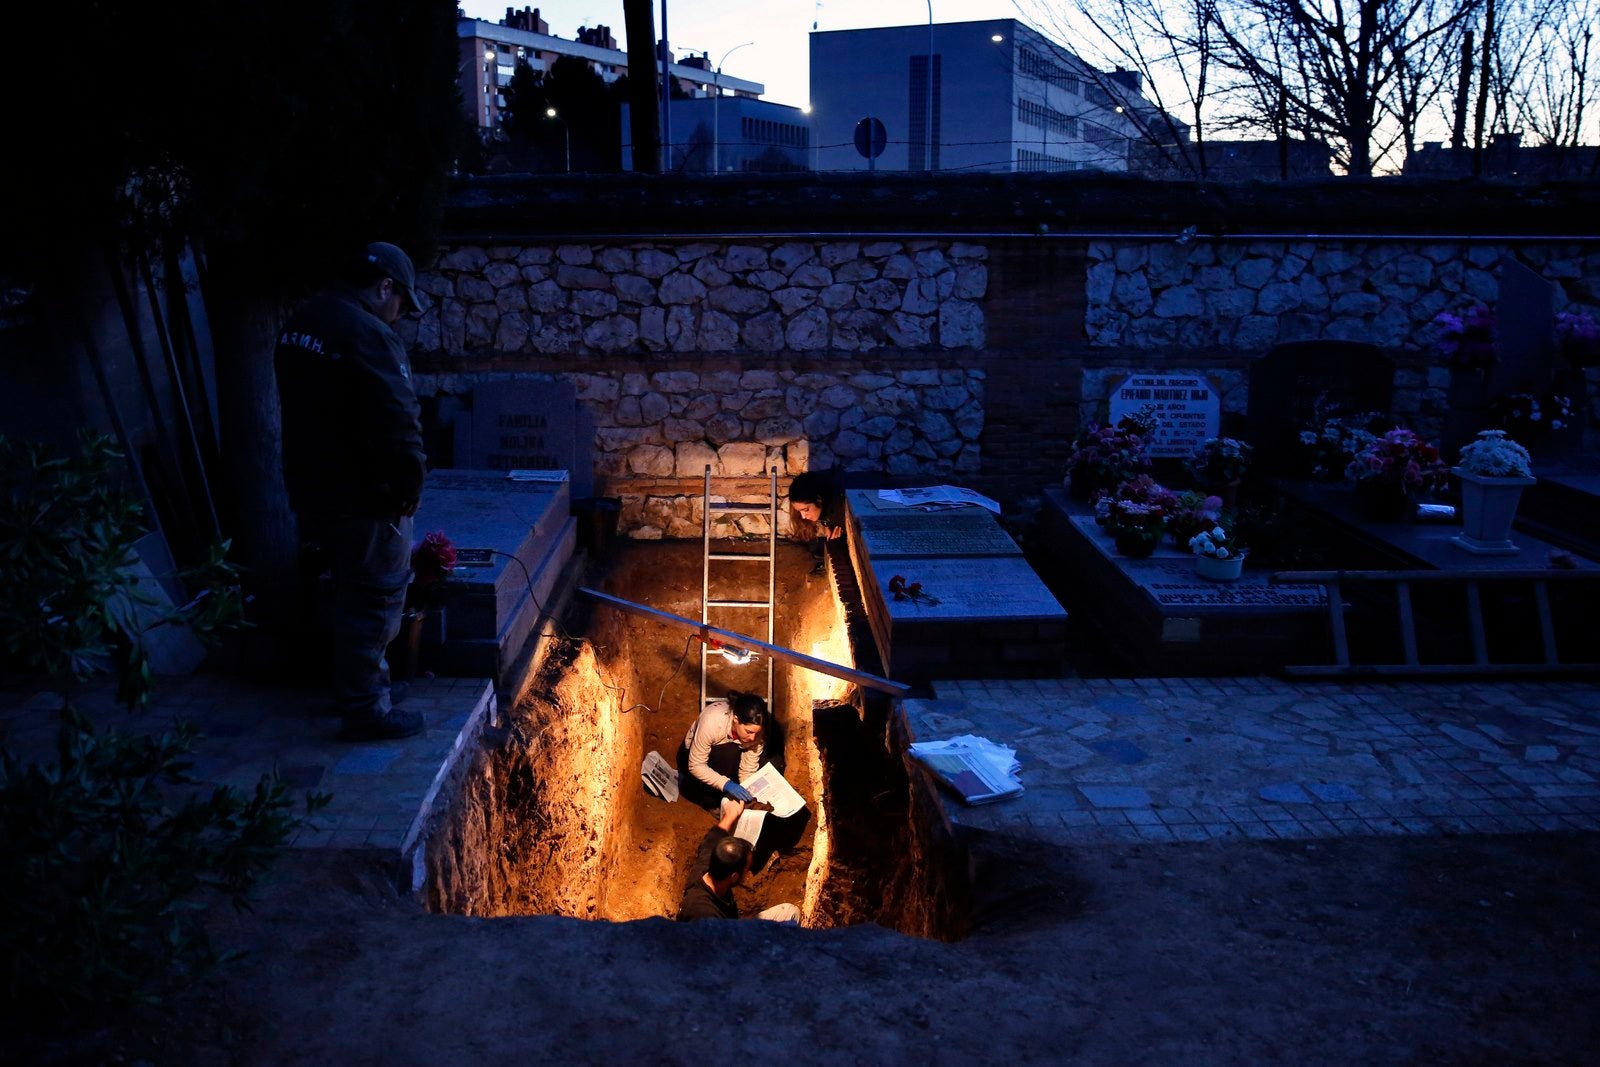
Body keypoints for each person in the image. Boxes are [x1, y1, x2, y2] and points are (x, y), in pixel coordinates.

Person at [275, 241, 430, 741]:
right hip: (366, 495)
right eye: (401, 304)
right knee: (376, 596)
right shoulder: (368, 334)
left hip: (313, 486)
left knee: (342, 588)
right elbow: (398, 419)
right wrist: (408, 487)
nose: (399, 316)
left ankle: (359, 687)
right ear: (385, 286)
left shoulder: (302, 322)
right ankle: (367, 708)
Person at [675, 798, 800, 924]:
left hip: (730, 926)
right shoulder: (704, 914)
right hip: (724, 940)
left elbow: (715, 836)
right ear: (734, 876)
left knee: (790, 912)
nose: (748, 872)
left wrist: (730, 815)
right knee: (790, 915)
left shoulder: (708, 865)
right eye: (746, 869)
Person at [678, 691, 780, 810]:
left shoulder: (757, 734)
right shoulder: (712, 722)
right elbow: (696, 765)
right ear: (735, 719)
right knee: (728, 754)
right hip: (694, 757)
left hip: (730, 759)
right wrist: (726, 784)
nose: (753, 737)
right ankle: (709, 798)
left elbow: (748, 768)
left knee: (772, 760)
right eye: (749, 732)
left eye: (756, 732)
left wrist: (748, 790)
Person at [788, 469, 845, 576]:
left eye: (805, 510)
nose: (803, 516)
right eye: (799, 511)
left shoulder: (840, 508)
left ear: (819, 500)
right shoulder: (826, 508)